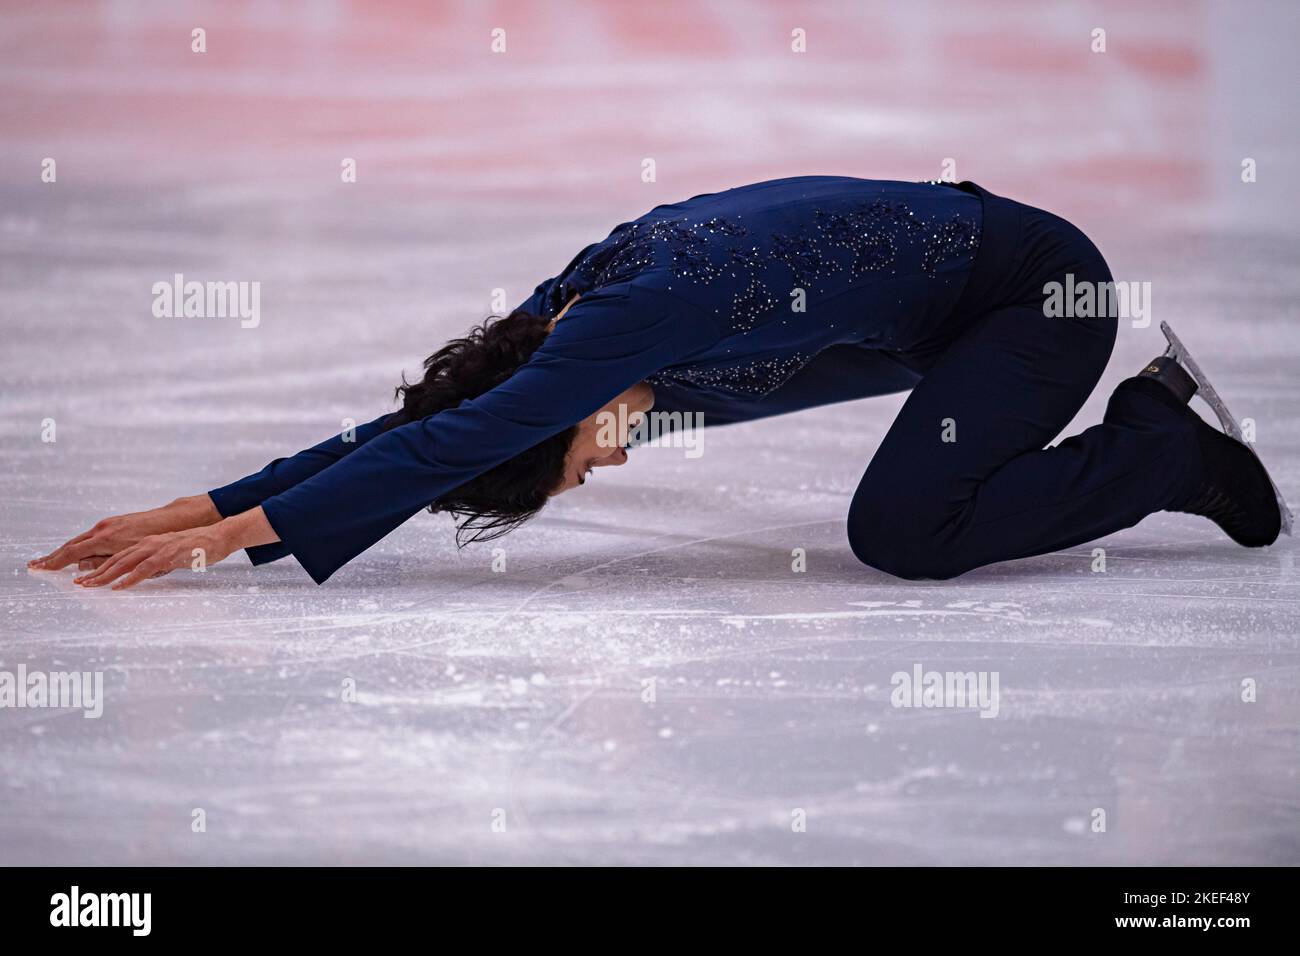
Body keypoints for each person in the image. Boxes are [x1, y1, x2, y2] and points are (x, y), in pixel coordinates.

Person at [28, 177, 1288, 590]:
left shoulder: (623, 331)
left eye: (582, 458)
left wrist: (228, 544)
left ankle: (1164, 447)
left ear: (562, 407)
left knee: (903, 532)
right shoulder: (561, 320)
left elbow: (445, 450)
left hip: (1039, 299)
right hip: (956, 320)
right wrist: (198, 506)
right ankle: (1150, 442)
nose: (616, 459)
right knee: (891, 504)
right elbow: (423, 427)